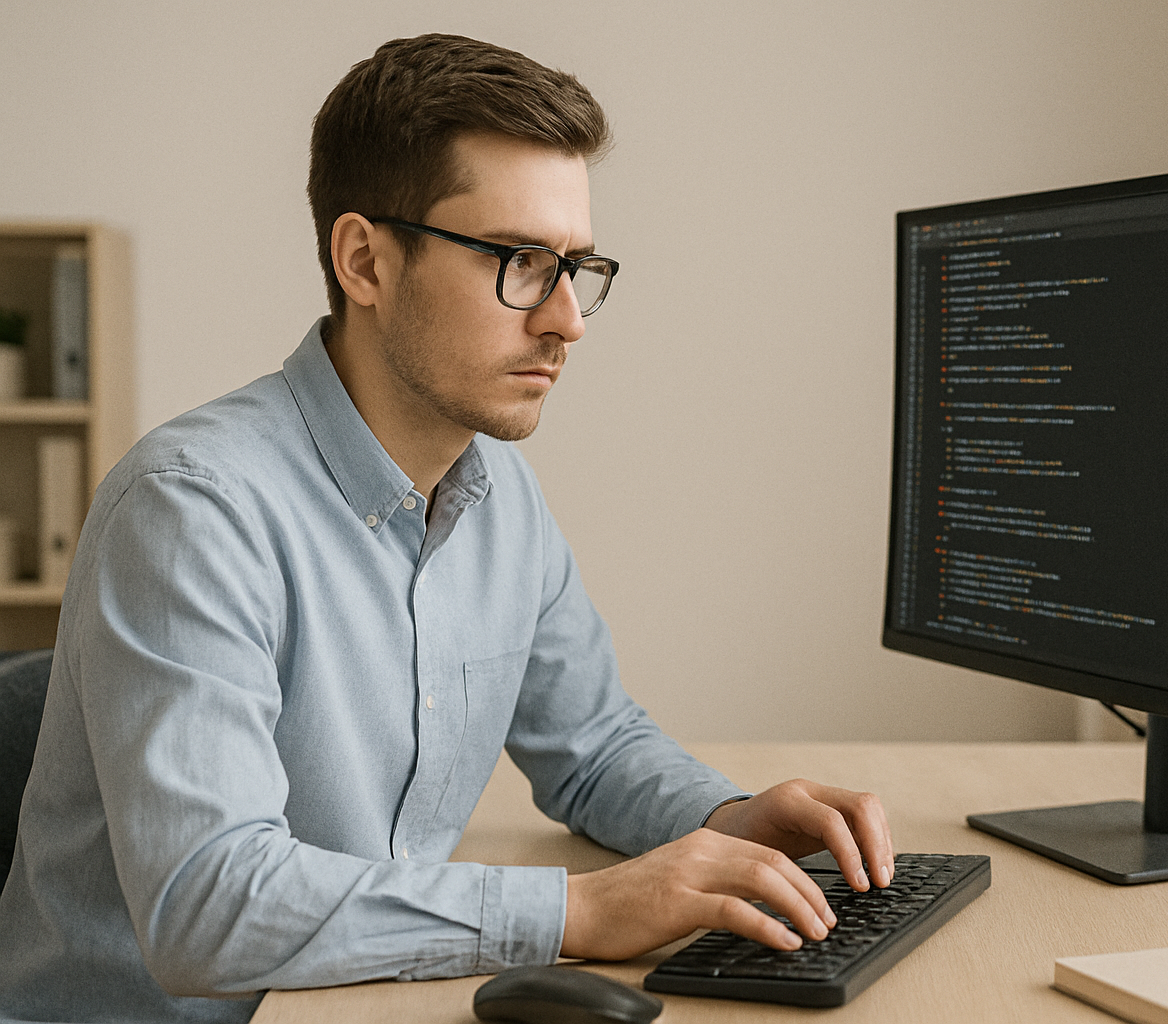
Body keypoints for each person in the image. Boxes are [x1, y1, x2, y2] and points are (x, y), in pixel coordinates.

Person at [0, 34, 891, 1024]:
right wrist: (578, 909)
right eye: (519, 262)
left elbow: (591, 744)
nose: (567, 320)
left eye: (578, 267)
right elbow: (207, 906)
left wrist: (726, 817)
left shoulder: (499, 494)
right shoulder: (191, 511)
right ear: (365, 260)